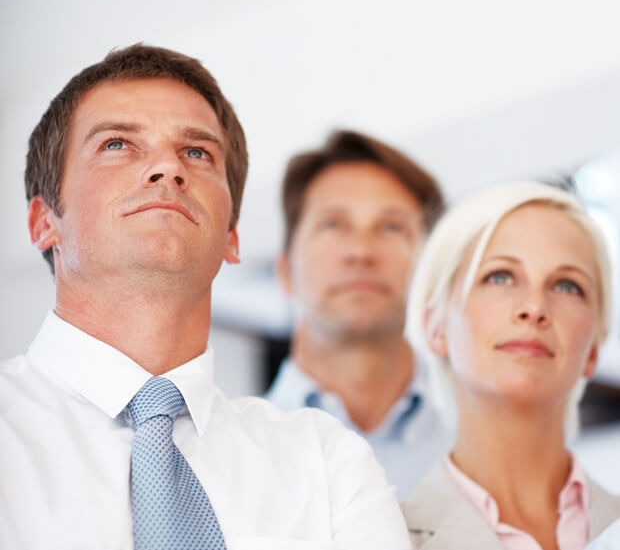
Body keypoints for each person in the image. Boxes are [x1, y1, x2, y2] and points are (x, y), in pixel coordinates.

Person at [0, 44, 410, 550]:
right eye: (118, 144)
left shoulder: (326, 464)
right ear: (44, 222)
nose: (168, 169)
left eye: (197, 152)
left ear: (232, 237)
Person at [401, 181, 620, 549]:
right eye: (499, 276)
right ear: (436, 326)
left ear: (594, 350)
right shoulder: (382, 536)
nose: (534, 307)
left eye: (567, 286)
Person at [265, 130, 451, 497]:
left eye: (391, 227)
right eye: (333, 225)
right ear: (285, 270)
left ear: (431, 271)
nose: (362, 252)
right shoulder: (226, 459)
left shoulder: (486, 455)